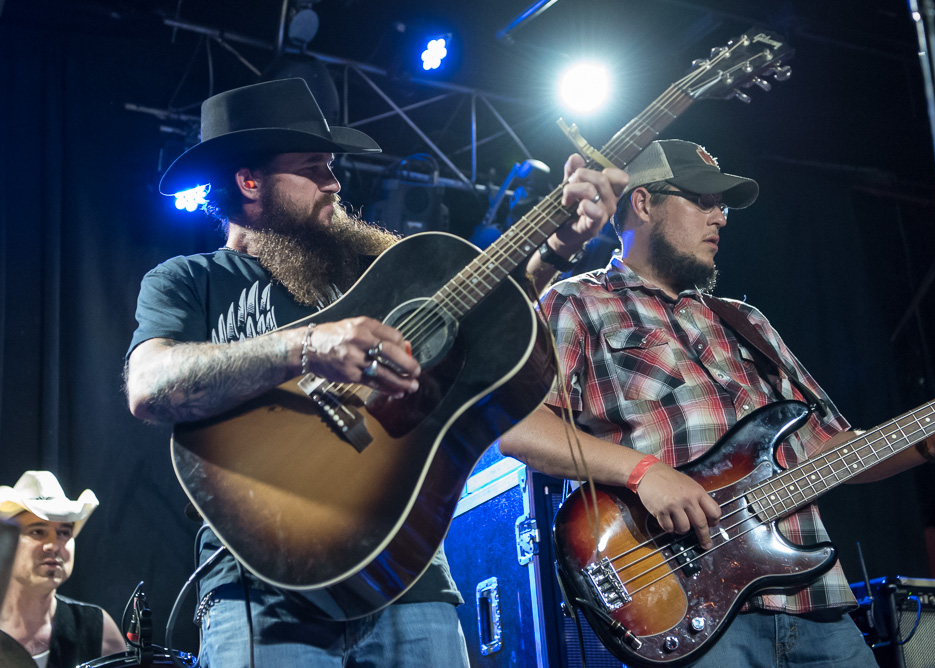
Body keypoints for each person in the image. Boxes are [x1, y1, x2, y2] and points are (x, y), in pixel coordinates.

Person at [124, 77, 627, 667]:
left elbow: (487, 335)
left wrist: (557, 250)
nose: (334, 183)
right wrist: (307, 345)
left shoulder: (378, 266)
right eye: (313, 168)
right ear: (249, 181)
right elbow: (149, 385)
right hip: (262, 593)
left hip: (411, 580)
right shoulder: (190, 279)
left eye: (332, 166)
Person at [498, 139, 935, 667]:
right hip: (691, 612)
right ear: (643, 203)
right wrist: (643, 473)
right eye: (703, 200)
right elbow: (516, 425)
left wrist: (933, 440)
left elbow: (828, 451)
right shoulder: (574, 302)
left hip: (816, 608)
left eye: (722, 206)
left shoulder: (747, 323)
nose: (719, 218)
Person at [0, 470, 127, 667]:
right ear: (7, 540)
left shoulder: (96, 629)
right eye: (38, 531)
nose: (53, 545)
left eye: (63, 533)